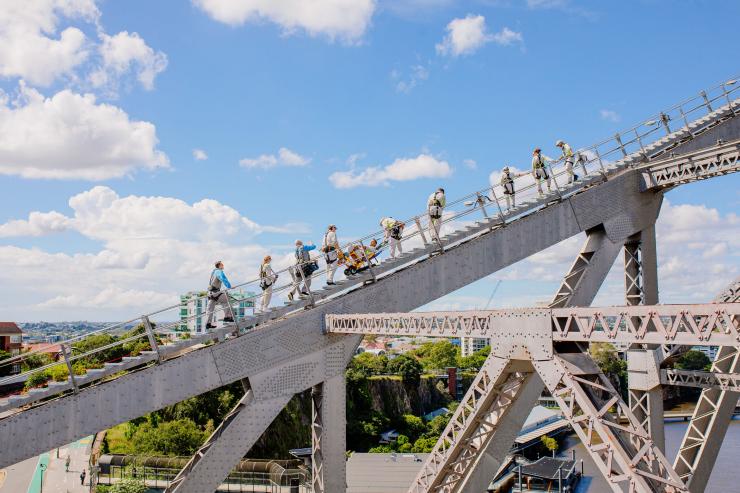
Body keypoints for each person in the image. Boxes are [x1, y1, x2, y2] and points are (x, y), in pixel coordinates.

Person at [205, 261, 234, 330]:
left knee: (210, 309)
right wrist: (229, 286)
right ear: (219, 265)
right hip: (215, 292)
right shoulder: (219, 271)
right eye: (222, 264)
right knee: (226, 299)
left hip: (211, 293)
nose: (223, 265)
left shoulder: (214, 272)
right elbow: (223, 278)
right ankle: (228, 317)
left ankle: (208, 324)